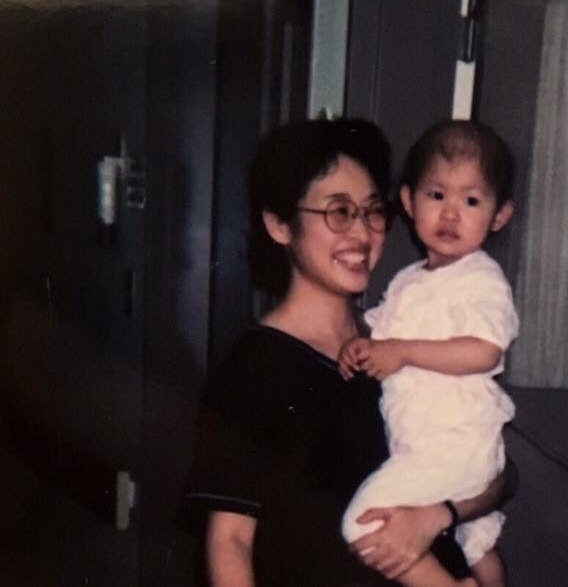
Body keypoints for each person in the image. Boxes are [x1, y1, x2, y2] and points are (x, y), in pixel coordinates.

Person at [181, 118, 512, 587]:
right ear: (280, 225)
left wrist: (439, 515)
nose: (361, 233)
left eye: (372, 211)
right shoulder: (255, 370)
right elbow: (229, 543)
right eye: (338, 212)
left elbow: (501, 472)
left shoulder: (399, 338)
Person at [339, 120, 518, 587]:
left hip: (451, 446)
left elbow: (484, 351)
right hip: (430, 444)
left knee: (363, 523)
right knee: (478, 544)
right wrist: (361, 344)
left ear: (499, 216)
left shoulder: (481, 280)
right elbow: (378, 331)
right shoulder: (409, 280)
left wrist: (402, 352)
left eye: (471, 201)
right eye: (437, 195)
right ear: (409, 201)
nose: (451, 214)